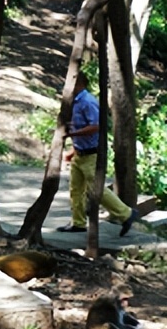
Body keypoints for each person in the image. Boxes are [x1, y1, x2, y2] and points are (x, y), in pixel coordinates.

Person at [57, 70, 140, 236]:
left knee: (97, 189)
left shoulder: (88, 102)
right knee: (76, 189)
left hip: (91, 155)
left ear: (79, 83)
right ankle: (78, 222)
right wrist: (73, 150)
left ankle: (126, 214)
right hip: (80, 153)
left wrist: (72, 134)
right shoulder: (74, 101)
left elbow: (96, 126)